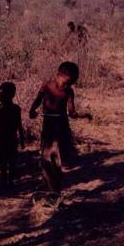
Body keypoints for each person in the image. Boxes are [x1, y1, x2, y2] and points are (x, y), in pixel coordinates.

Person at [29, 61, 91, 192]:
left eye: (70, 83)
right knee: (46, 155)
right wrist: (32, 110)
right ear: (59, 74)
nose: (67, 85)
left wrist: (83, 115)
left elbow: (72, 113)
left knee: (56, 157)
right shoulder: (46, 86)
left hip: (61, 125)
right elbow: (37, 100)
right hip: (49, 124)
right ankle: (49, 186)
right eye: (67, 81)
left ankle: (55, 188)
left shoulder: (68, 91)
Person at [0, 82, 25, 190]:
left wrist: (21, 139)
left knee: (8, 162)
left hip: (7, 139)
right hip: (7, 138)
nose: (1, 97)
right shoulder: (10, 108)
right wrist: (21, 139)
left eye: (2, 95)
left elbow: (19, 125)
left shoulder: (1, 109)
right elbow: (19, 125)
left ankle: (8, 182)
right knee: (6, 161)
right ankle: (7, 182)